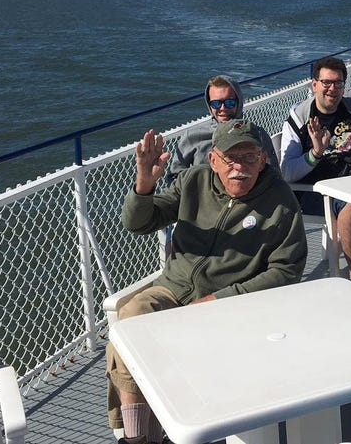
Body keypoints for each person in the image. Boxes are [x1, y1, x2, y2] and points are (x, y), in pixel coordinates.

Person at [108, 119, 308, 443]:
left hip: (229, 305)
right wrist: (144, 186)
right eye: (231, 159)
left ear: (263, 160)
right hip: (173, 289)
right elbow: (138, 223)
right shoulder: (193, 180)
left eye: (249, 157)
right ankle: (137, 438)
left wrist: (222, 298)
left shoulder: (280, 201)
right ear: (213, 160)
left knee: (175, 354)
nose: (239, 168)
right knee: (128, 324)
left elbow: (287, 268)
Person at [280, 56, 351, 278]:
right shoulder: (299, 118)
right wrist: (315, 153)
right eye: (326, 82)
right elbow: (287, 172)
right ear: (314, 84)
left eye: (338, 83)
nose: (332, 89)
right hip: (318, 192)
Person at [165, 75, 279, 183]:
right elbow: (174, 176)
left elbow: (274, 176)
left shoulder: (257, 135)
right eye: (216, 103)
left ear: (239, 102)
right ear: (209, 105)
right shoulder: (192, 137)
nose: (222, 108)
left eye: (229, 103)